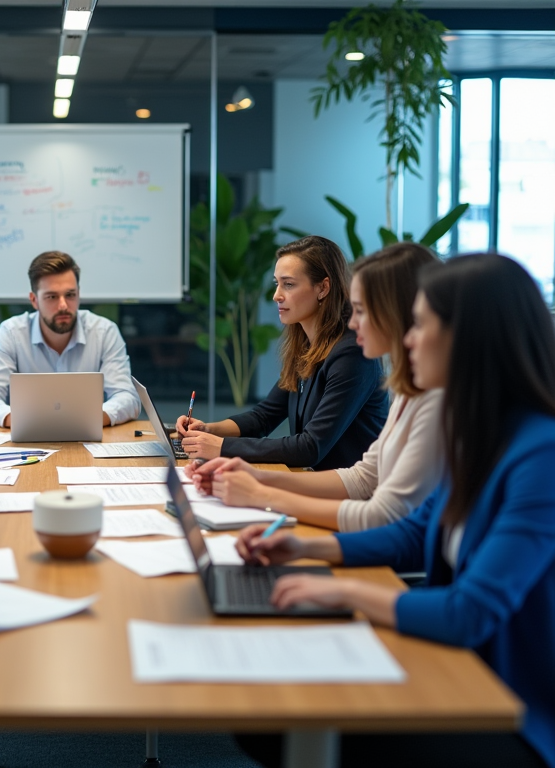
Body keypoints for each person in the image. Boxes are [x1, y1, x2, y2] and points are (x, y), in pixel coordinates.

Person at [234, 254, 555, 768]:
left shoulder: (539, 455)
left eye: (422, 325)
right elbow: (412, 532)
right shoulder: (482, 432)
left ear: (471, 338)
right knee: (264, 711)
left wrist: (340, 589)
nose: (408, 339)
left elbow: (469, 613)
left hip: (508, 706)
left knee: (274, 716)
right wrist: (303, 546)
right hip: (458, 664)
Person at [186, 243, 444, 531]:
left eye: (362, 310)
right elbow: (362, 477)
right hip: (340, 502)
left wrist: (259, 491)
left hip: (358, 521)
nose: (354, 323)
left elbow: (377, 508)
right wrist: (246, 469)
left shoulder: (357, 357)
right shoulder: (410, 393)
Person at [176, 235, 388, 470]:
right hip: (313, 481)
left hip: (346, 494)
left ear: (323, 288)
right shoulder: (306, 343)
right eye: (277, 283)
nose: (277, 295)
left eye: (288, 284)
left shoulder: (353, 353)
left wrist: (220, 447)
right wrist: (208, 430)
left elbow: (310, 448)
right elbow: (264, 416)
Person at [0, 250, 140, 427]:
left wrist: (93, 418)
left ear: (79, 294)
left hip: (89, 438)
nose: (63, 305)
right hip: (27, 439)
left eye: (70, 295)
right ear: (34, 300)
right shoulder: (11, 333)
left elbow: (127, 397)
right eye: (52, 297)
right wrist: (15, 419)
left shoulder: (104, 332)